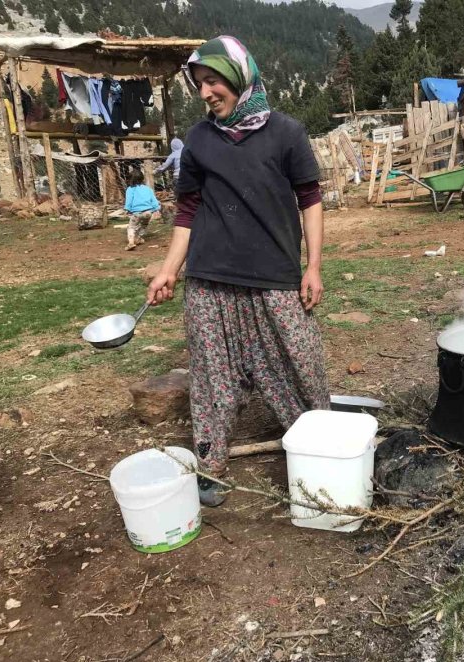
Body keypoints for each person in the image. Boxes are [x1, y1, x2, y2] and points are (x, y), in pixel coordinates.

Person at [146, 36, 329, 507]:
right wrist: (168, 271)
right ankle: (211, 465)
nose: (206, 92)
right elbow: (186, 213)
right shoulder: (200, 141)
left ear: (240, 77)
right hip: (210, 279)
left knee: (300, 361)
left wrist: (313, 267)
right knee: (212, 373)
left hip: (274, 277)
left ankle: (322, 447)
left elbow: (309, 199)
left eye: (213, 81)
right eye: (199, 84)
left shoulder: (286, 133)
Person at [124, 168, 160, 250]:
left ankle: (131, 242)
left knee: (131, 227)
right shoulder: (148, 189)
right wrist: (157, 209)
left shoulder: (130, 189)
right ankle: (138, 238)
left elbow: (129, 200)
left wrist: (127, 209)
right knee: (143, 225)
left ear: (130, 179)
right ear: (142, 178)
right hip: (148, 213)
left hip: (137, 213)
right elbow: (153, 200)